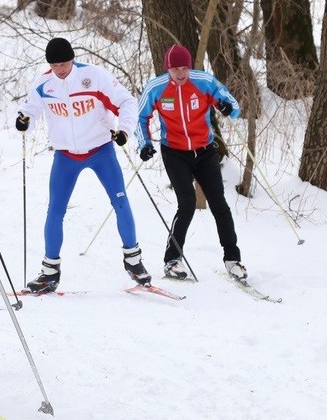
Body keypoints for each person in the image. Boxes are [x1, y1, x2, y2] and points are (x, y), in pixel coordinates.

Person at [15, 37, 151, 293]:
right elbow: (29, 112)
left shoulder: (95, 76)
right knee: (55, 210)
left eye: (65, 63)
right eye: (55, 65)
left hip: (101, 149)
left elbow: (127, 102)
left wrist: (124, 130)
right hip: (66, 155)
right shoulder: (43, 84)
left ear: (72, 59)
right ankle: (49, 273)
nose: (61, 69)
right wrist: (23, 121)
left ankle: (134, 262)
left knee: (120, 201)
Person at [135, 44, 247, 281]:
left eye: (184, 67)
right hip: (174, 153)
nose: (181, 73)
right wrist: (144, 143)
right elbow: (141, 116)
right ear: (168, 69)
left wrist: (228, 108)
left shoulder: (203, 80)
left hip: (205, 151)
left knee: (219, 204)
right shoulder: (156, 88)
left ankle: (233, 259)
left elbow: (231, 103)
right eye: (175, 69)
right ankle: (172, 260)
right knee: (186, 204)